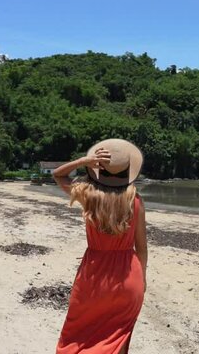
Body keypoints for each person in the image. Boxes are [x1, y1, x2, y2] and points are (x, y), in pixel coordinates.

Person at [52, 138, 147, 354]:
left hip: (94, 276)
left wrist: (83, 161)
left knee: (79, 333)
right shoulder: (136, 201)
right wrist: (143, 278)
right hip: (129, 276)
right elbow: (141, 248)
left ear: (97, 170)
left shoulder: (88, 196)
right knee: (119, 336)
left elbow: (57, 175)